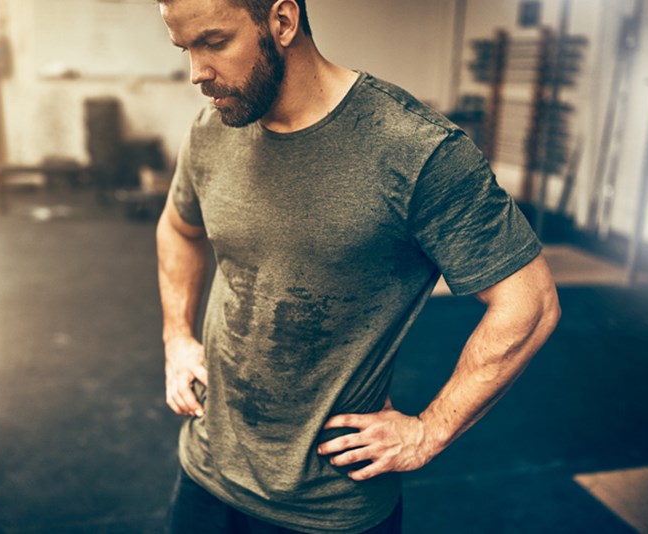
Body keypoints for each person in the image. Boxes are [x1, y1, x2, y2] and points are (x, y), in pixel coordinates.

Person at [155, 0, 561, 532]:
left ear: (281, 21)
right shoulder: (213, 128)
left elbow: (529, 303)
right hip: (206, 473)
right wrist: (176, 337)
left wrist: (426, 432)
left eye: (213, 43)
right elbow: (178, 227)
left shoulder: (415, 150)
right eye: (185, 49)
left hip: (329, 506)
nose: (196, 74)